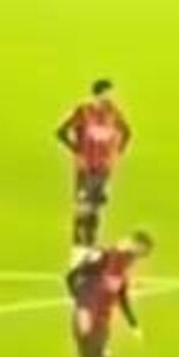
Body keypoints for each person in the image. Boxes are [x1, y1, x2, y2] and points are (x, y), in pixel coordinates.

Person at [55, 79, 132, 252]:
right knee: (84, 205)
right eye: (109, 93)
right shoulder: (83, 111)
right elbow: (61, 132)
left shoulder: (113, 113)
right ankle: (78, 245)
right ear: (100, 93)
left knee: (97, 205)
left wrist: (116, 155)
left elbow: (127, 133)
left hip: (103, 167)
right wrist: (77, 151)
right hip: (86, 167)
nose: (112, 97)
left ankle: (91, 243)